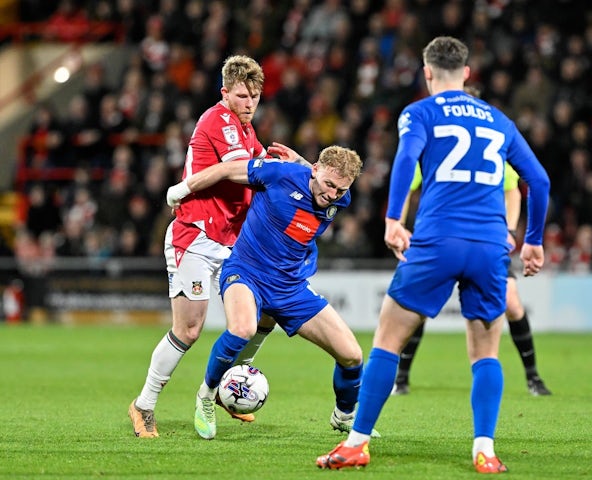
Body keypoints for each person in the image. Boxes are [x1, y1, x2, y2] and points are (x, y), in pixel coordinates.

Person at [316, 36, 550, 473]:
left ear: (426, 73)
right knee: (486, 353)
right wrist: (532, 239)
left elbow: (406, 158)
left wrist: (391, 220)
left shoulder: (419, 112)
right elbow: (538, 180)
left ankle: (356, 443)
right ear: (466, 73)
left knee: (388, 338)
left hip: (438, 239)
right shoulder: (499, 120)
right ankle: (484, 449)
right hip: (488, 246)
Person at [128, 54, 297, 438]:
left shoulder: (247, 130)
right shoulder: (218, 120)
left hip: (232, 242)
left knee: (264, 313)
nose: (249, 103)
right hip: (197, 236)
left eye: (255, 95)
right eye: (241, 95)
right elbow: (246, 174)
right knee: (189, 330)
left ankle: (223, 387)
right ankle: (144, 405)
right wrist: (281, 170)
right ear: (225, 93)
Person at [166, 145, 378, 441]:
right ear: (315, 170)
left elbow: (329, 182)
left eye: (341, 190)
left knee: (352, 356)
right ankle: (206, 396)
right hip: (246, 271)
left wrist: (307, 164)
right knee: (243, 328)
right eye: (329, 185)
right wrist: (181, 189)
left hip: (291, 287)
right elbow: (228, 170)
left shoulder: (340, 198)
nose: (332, 195)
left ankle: (343, 416)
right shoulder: (279, 173)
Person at [392, 162, 551, 396]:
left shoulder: (491, 149)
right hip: (439, 239)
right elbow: (405, 183)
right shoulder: (435, 147)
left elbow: (513, 192)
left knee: (512, 303)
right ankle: (402, 377)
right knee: (418, 307)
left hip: (482, 241)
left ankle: (533, 377)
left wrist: (510, 232)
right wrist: (398, 223)